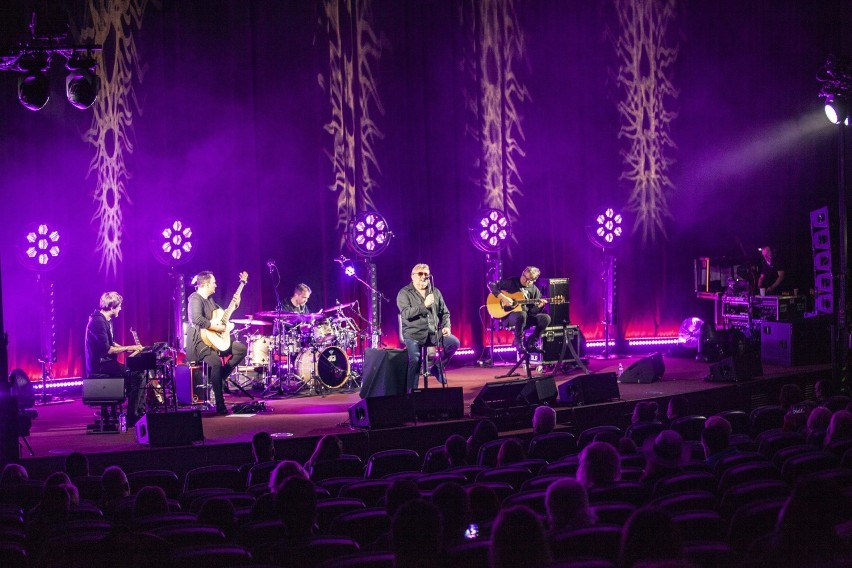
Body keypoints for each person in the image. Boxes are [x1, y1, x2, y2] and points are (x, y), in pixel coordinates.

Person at [186, 271, 248, 415]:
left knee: (240, 349)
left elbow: (222, 316)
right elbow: (197, 320)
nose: (216, 285)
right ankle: (220, 405)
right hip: (199, 341)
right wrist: (217, 327)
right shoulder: (195, 299)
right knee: (215, 363)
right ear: (206, 284)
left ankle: (220, 377)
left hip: (214, 339)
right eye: (213, 282)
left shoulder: (210, 300)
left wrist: (235, 305)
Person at [84, 291, 146, 427]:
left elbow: (111, 343)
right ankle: (133, 417)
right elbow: (108, 349)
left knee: (139, 372)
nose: (121, 309)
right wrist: (129, 347)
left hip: (107, 363)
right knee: (138, 375)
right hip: (100, 366)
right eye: (119, 306)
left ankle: (139, 412)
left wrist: (130, 348)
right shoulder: (98, 322)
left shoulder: (106, 320)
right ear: (112, 307)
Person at [397, 263, 460, 389]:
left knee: (454, 343)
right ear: (412, 276)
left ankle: (437, 367)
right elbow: (405, 314)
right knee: (415, 359)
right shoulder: (404, 293)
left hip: (433, 333)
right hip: (413, 334)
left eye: (426, 274)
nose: (423, 276)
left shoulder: (435, 292)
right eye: (420, 274)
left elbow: (445, 313)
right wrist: (424, 306)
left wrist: (446, 326)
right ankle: (411, 392)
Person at [488, 266, 550, 353]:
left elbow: (532, 312)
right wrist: (503, 298)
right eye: (524, 276)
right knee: (522, 314)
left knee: (546, 318)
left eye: (529, 280)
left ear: (533, 281)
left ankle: (531, 343)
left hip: (525, 318)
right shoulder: (512, 282)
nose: (524, 280)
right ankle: (518, 342)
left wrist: (540, 306)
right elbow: (491, 285)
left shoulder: (535, 290)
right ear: (522, 273)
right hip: (509, 317)